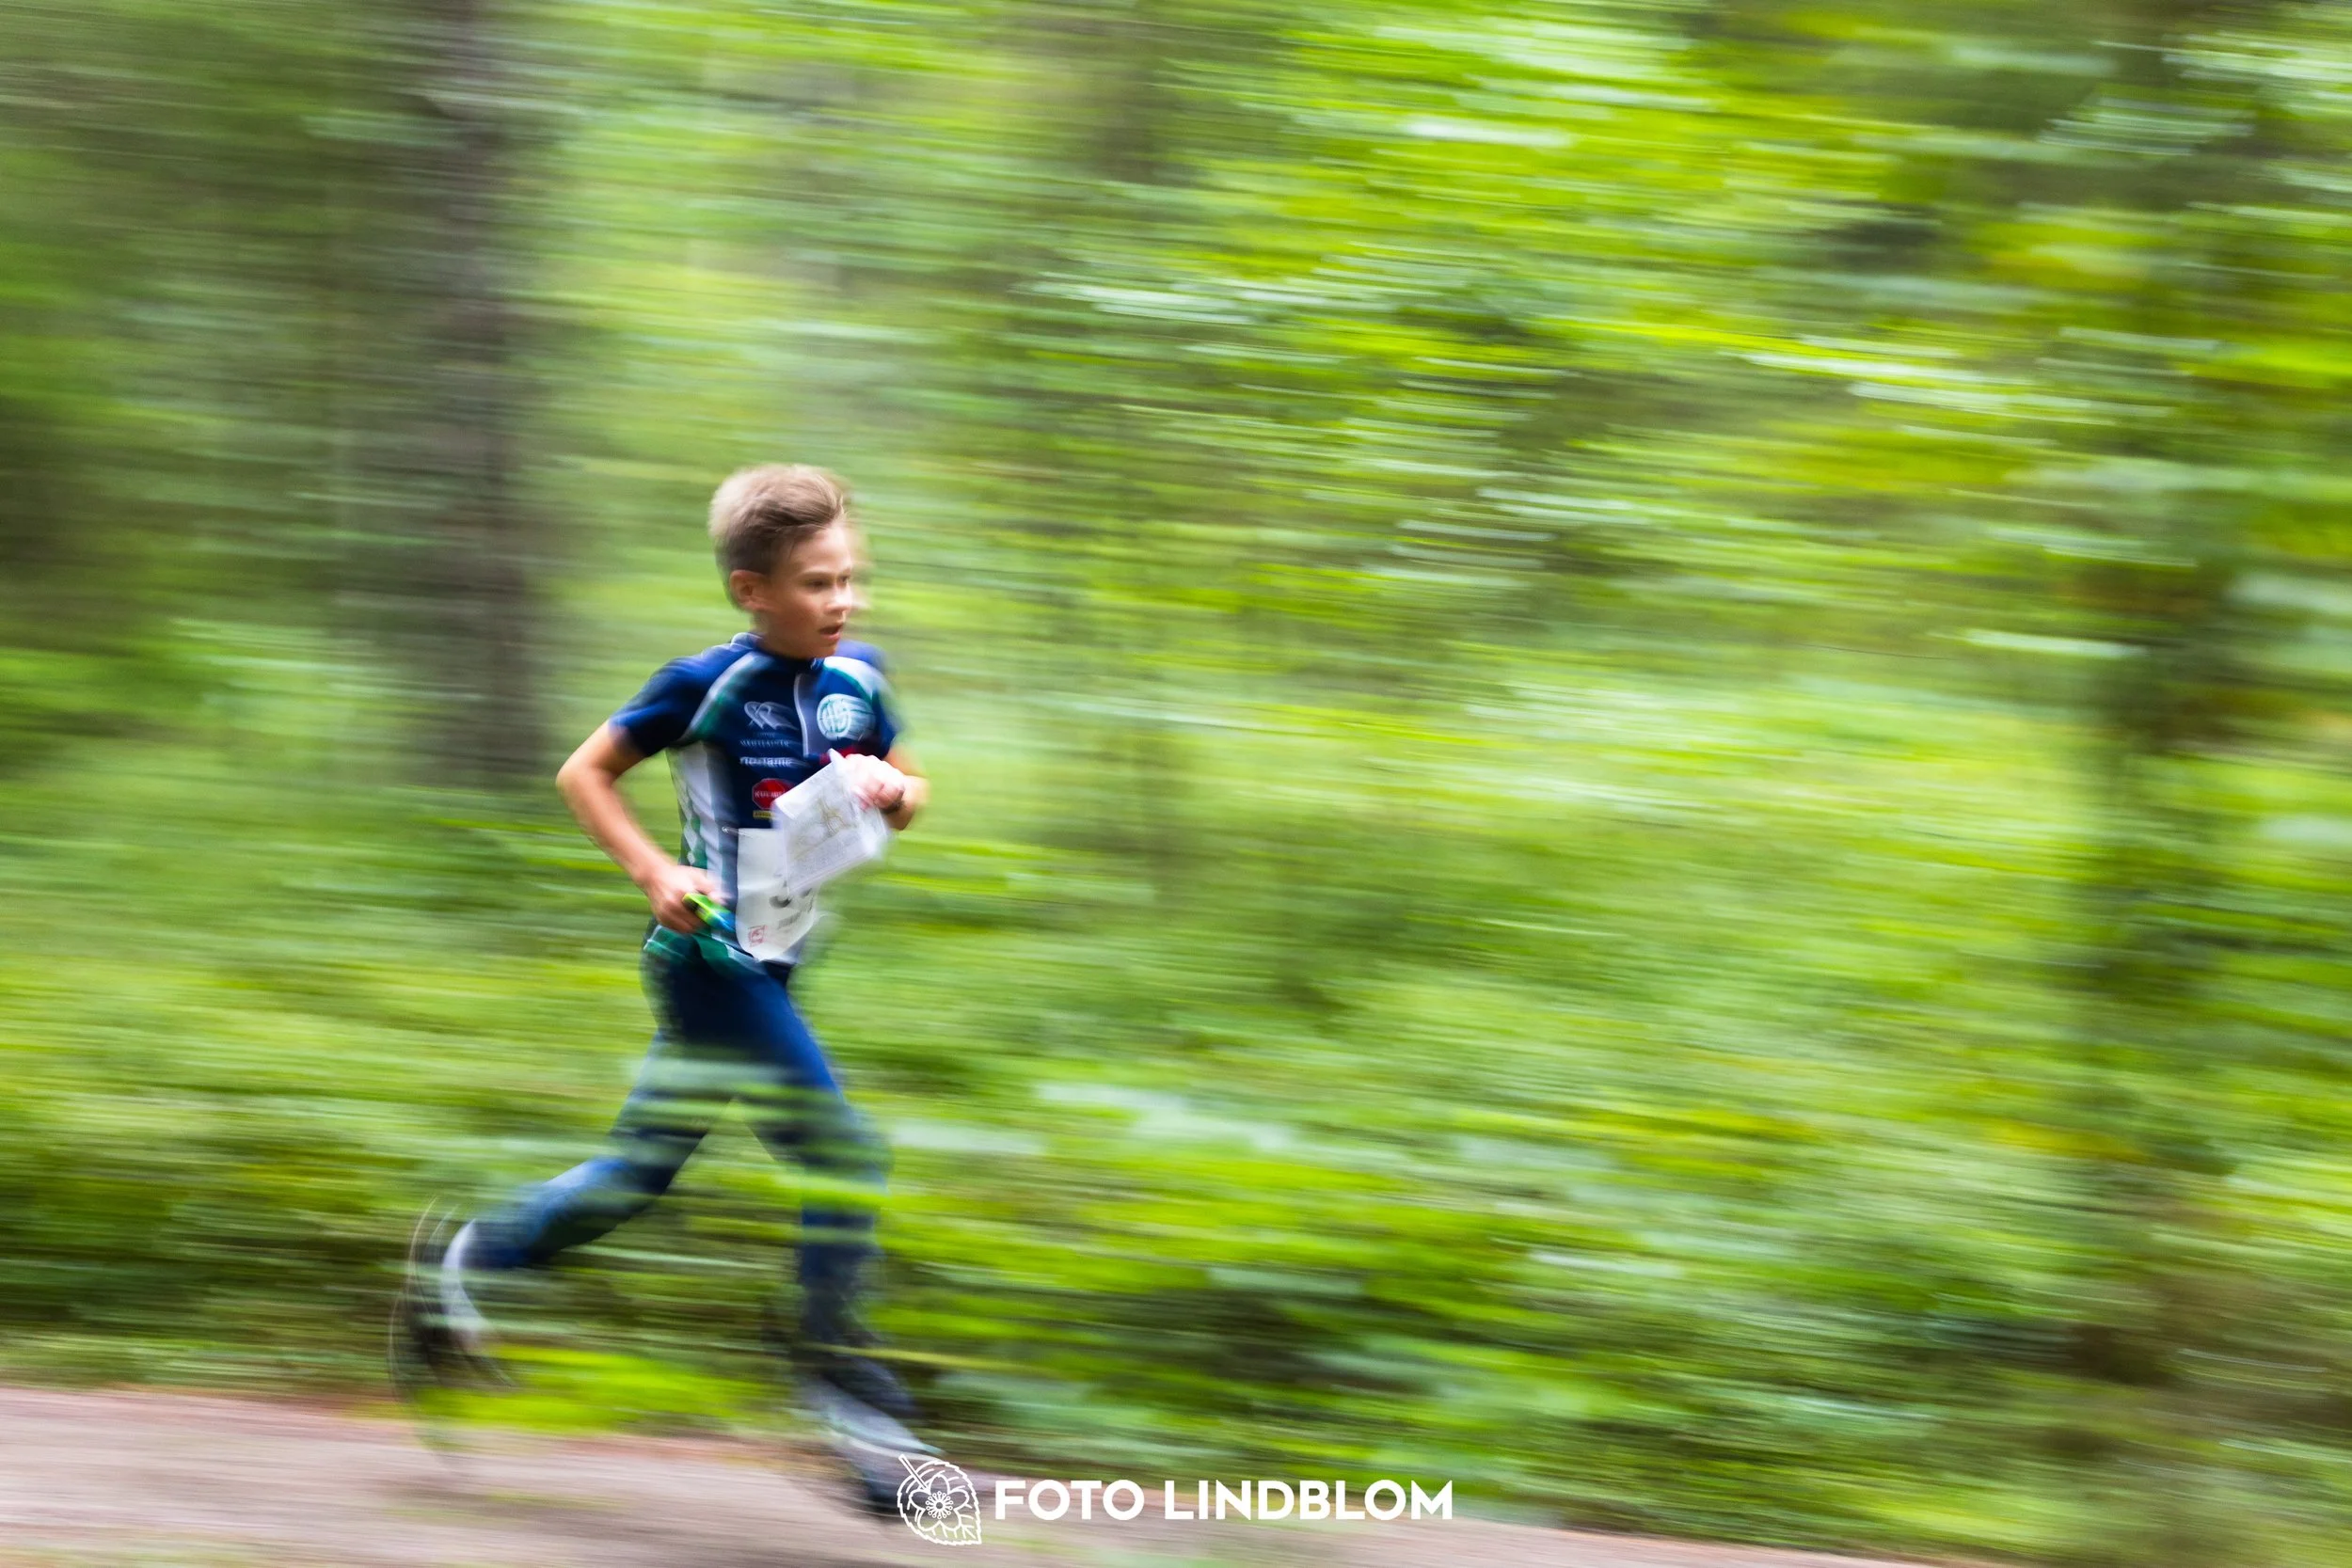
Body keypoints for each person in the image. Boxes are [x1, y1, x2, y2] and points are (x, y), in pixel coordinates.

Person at [394, 464, 932, 1513]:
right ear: (751, 589)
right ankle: (841, 1393)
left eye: (851, 578)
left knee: (635, 1173)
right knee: (845, 1155)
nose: (845, 600)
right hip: (710, 960)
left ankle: (457, 1264)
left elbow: (909, 788)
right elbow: (583, 771)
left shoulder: (861, 677)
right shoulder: (704, 684)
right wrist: (655, 871)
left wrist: (893, 787)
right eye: (819, 583)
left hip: (782, 963)